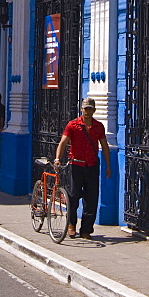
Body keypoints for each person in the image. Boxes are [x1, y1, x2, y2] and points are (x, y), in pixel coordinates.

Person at [54, 97, 112, 241]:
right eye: (85, 109)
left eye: (90, 109)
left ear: (94, 110)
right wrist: (57, 159)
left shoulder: (99, 126)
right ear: (81, 109)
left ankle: (86, 230)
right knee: (73, 197)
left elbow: (104, 146)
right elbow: (63, 142)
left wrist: (108, 166)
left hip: (92, 166)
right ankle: (72, 224)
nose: (88, 111)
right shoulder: (73, 125)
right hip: (76, 165)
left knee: (91, 199)